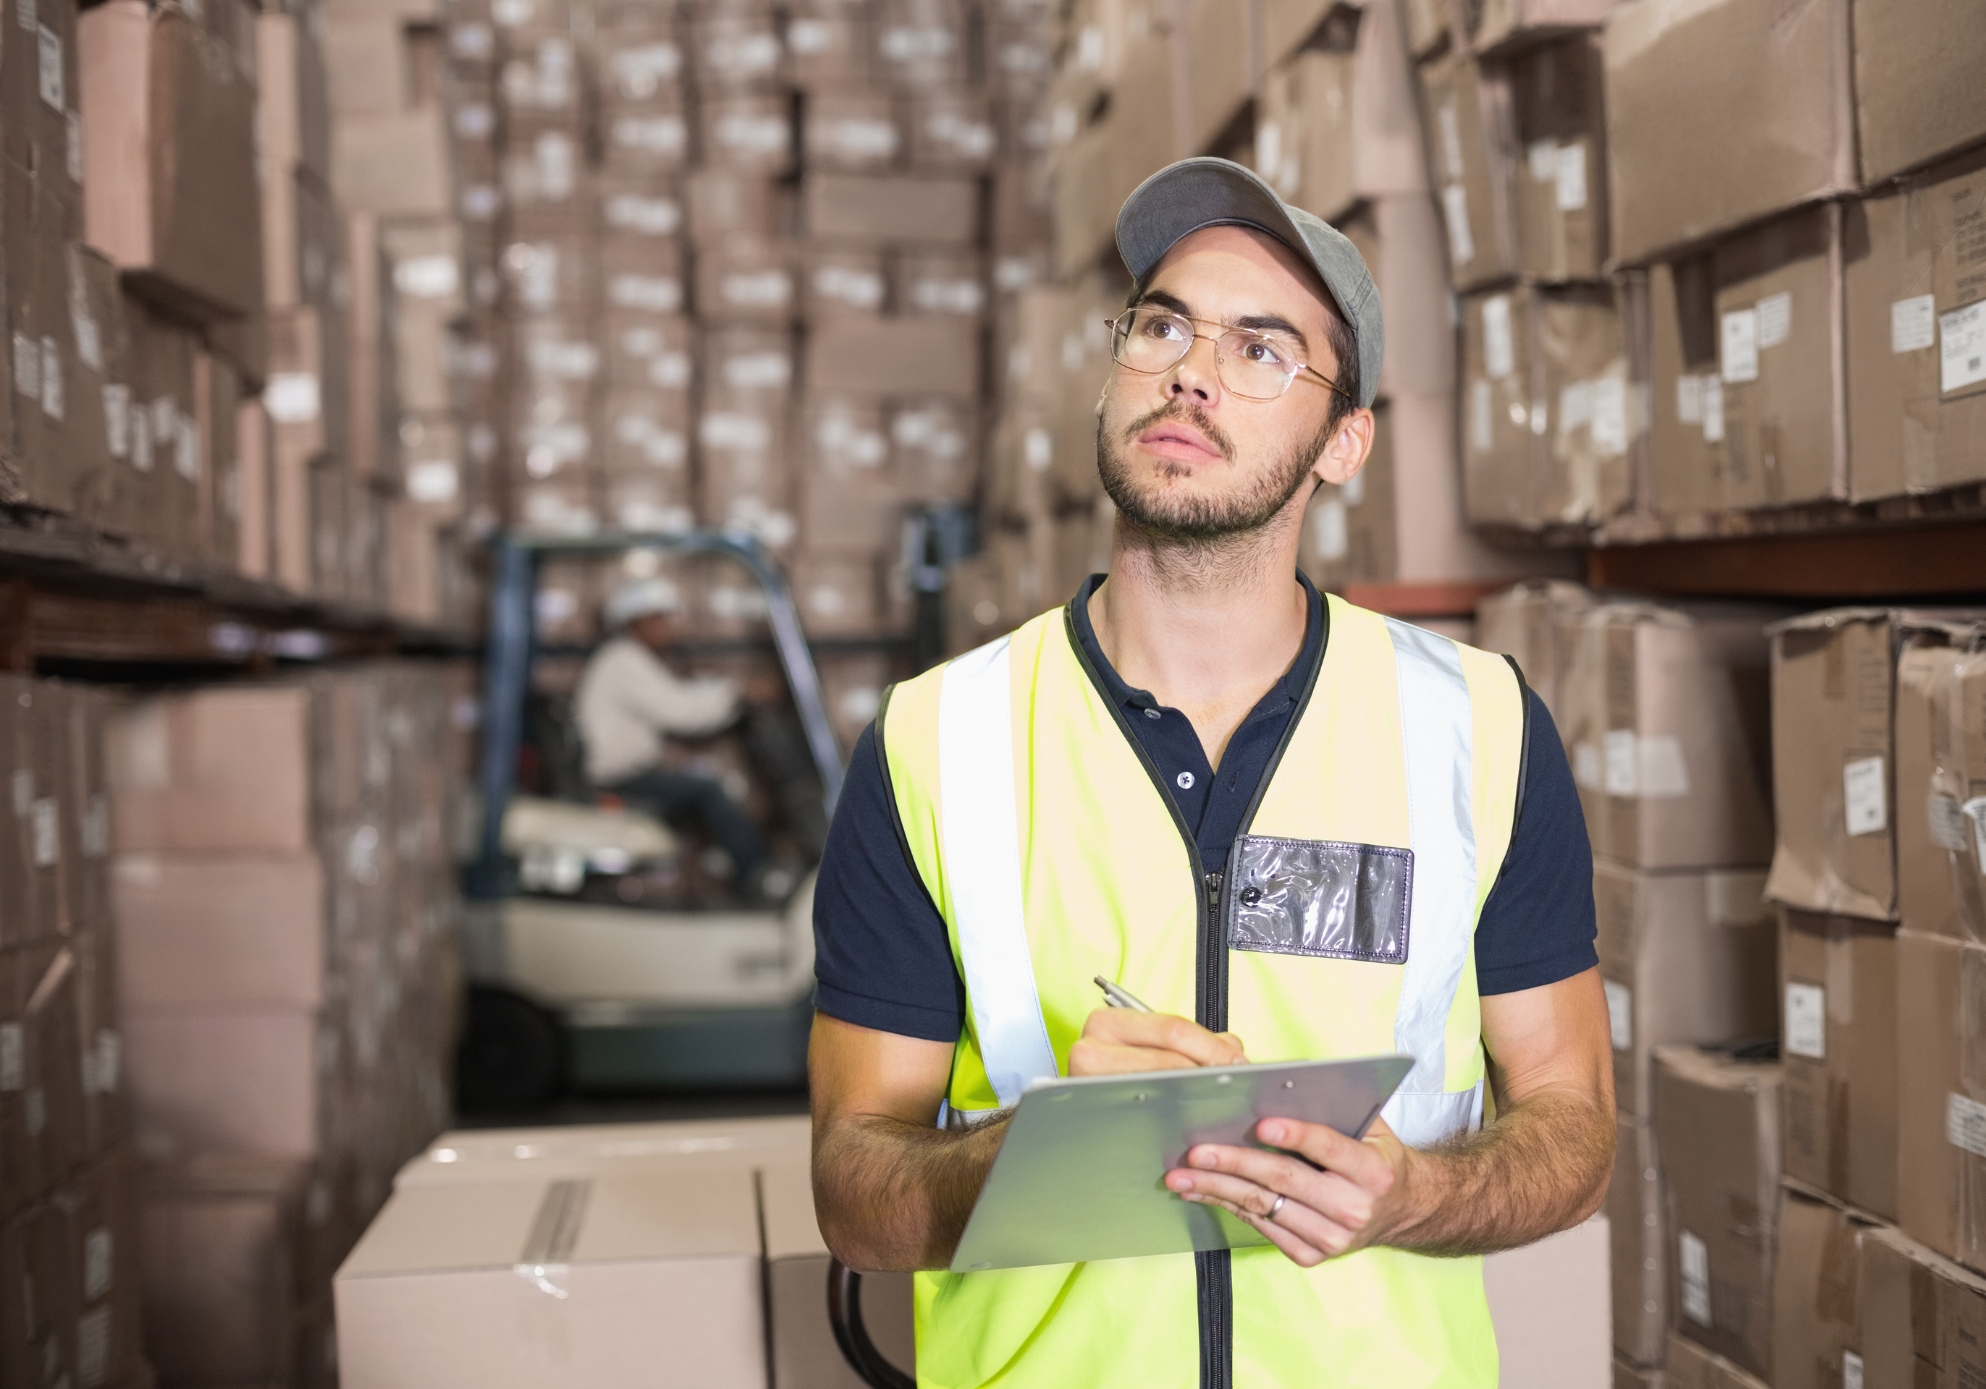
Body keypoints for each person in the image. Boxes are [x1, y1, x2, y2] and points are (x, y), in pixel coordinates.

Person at [807, 157, 1613, 1388]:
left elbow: (1575, 1132)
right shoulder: (936, 739)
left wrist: (1409, 1195)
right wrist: (1040, 1151)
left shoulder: (1476, 730)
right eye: (1165, 323)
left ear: (1344, 443)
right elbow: (855, 1194)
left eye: (1261, 348)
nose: (1192, 368)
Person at [574, 576, 769, 894]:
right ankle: (759, 876)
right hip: (620, 778)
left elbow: (681, 696)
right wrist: (738, 692)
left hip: (630, 773)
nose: (668, 628)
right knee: (708, 791)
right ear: (638, 622)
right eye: (659, 620)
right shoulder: (623, 660)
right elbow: (682, 712)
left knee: (698, 789)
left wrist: (726, 693)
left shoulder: (628, 659)